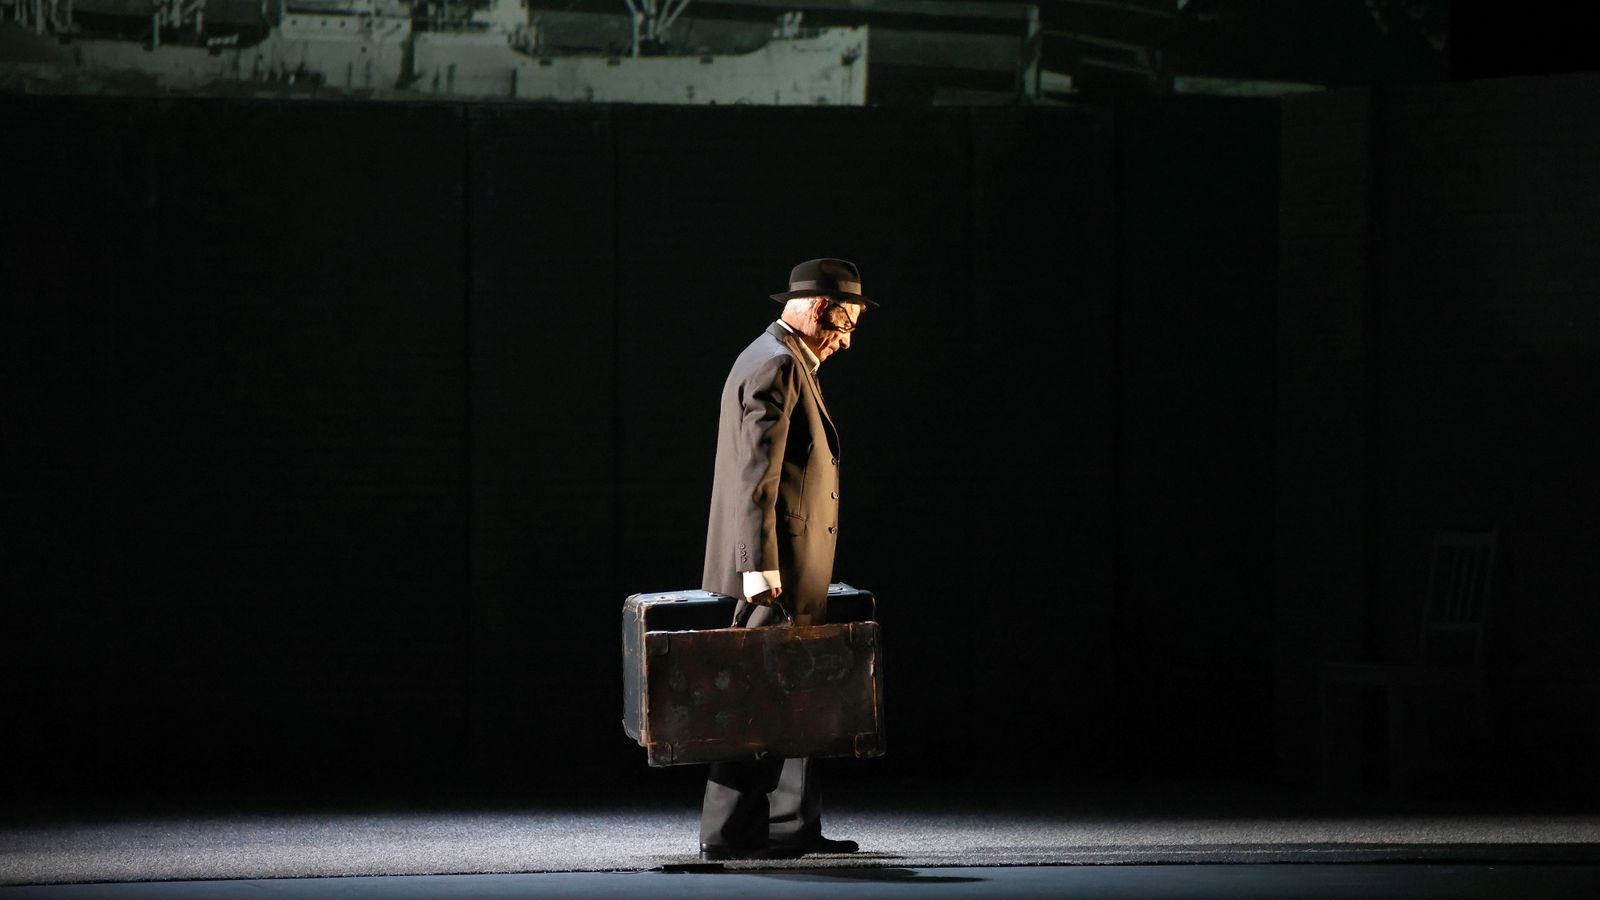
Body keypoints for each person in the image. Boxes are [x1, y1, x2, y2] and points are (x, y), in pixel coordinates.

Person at [697, 258, 877, 861]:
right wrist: (758, 565)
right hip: (777, 567)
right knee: (759, 694)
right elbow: (757, 473)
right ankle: (728, 834)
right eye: (845, 323)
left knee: (800, 693)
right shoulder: (776, 362)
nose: (848, 340)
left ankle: (789, 825)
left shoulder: (791, 357)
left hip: (797, 563)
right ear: (820, 309)